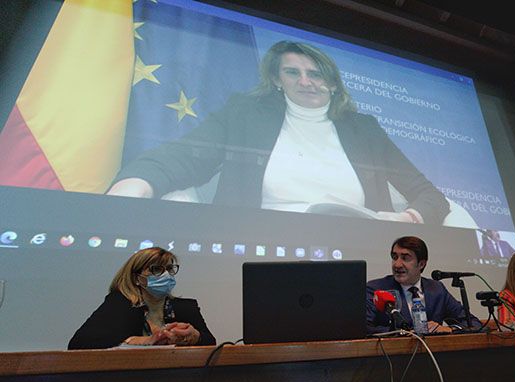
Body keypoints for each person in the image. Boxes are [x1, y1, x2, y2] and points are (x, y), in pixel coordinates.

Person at [107, 41, 450, 225]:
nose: (306, 82)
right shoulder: (244, 113)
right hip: (259, 248)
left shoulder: (364, 129)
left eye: (316, 74)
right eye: (293, 72)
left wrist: (408, 218)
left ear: (332, 83)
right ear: (276, 79)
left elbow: (428, 194)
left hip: (356, 252)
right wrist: (136, 183)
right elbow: (184, 157)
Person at [68, 247, 215, 349]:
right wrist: (146, 341)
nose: (166, 275)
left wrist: (195, 336)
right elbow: (79, 343)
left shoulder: (186, 307)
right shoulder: (120, 303)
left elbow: (210, 342)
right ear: (136, 278)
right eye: (156, 269)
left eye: (170, 269)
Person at [366, 236, 481, 334]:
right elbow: (364, 328)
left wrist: (449, 329)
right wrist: (405, 333)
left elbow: (474, 324)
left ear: (421, 264)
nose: (397, 264)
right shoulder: (376, 289)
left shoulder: (436, 289)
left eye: (405, 258)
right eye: (395, 257)